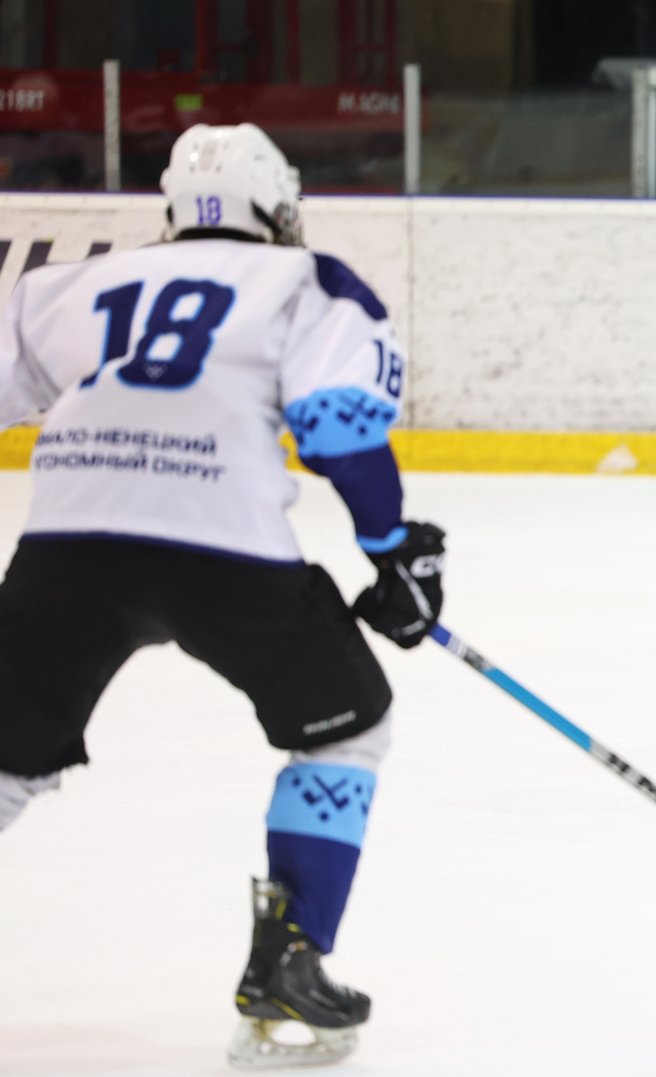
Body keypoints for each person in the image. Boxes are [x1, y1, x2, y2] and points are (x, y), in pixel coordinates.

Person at [0, 123, 446, 1068]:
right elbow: (336, 427)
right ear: (278, 208)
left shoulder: (69, 284)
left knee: (3, 758)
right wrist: (393, 552)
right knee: (346, 726)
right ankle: (289, 964)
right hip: (223, 547)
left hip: (67, 545)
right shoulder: (309, 282)